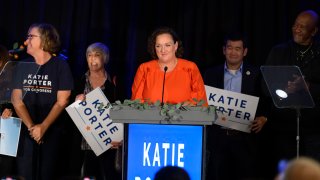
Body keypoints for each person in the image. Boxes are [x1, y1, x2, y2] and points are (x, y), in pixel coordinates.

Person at [11, 23, 73, 180]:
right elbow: (16, 99)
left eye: (31, 36)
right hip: (26, 131)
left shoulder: (60, 66)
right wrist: (32, 127)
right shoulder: (22, 65)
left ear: (45, 39)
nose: (27, 41)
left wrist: (43, 127)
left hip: (51, 130)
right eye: (27, 36)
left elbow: (62, 100)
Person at [204, 32, 268, 179]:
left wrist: (264, 118)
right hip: (218, 139)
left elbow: (266, 101)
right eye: (230, 48)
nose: (233, 52)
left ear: (244, 52)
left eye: (238, 48)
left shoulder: (257, 74)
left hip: (245, 141)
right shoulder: (210, 74)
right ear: (224, 50)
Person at [264, 10, 320, 175]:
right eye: (295, 25)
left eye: (303, 27)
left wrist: (308, 86)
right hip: (284, 126)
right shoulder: (279, 51)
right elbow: (264, 83)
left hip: (314, 128)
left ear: (314, 31)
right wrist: (283, 88)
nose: (297, 29)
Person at [69, 42, 121, 180]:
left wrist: (120, 137)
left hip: (108, 143)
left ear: (105, 58)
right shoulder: (79, 81)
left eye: (97, 55)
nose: (92, 59)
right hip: (84, 144)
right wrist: (75, 101)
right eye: (89, 55)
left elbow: (122, 110)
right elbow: (67, 111)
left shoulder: (114, 82)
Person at [131, 27, 207, 105]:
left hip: (183, 116)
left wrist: (187, 106)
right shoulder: (144, 69)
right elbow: (136, 101)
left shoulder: (190, 68)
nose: (163, 50)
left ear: (175, 46)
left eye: (167, 45)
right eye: (158, 46)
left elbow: (200, 100)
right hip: (149, 116)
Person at [0, 44, 17, 178]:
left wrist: (10, 109)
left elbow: (19, 100)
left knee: (4, 163)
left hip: (6, 126)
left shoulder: (11, 77)